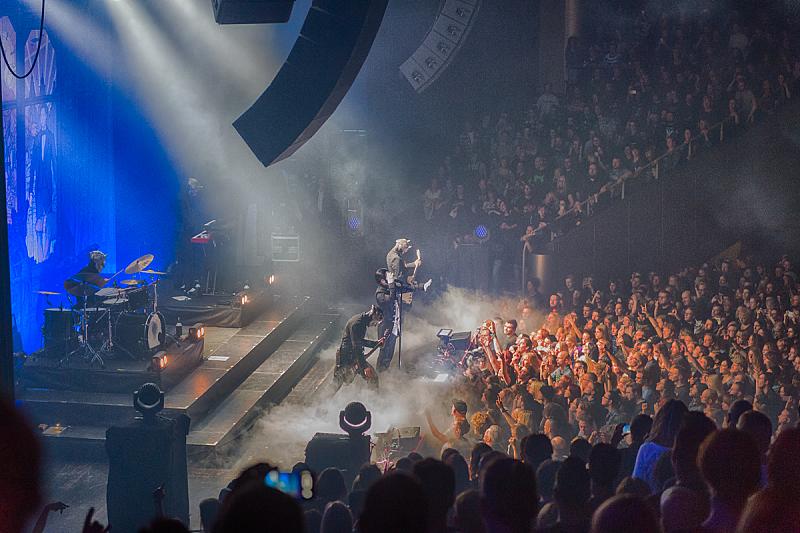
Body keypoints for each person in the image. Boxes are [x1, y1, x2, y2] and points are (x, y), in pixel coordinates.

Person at [334, 306, 385, 389]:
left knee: (373, 378)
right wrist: (365, 367)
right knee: (338, 382)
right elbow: (357, 347)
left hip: (353, 355)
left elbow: (359, 341)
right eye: (375, 323)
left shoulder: (361, 322)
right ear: (372, 317)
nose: (375, 325)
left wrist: (375, 344)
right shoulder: (357, 324)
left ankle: (373, 396)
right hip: (347, 357)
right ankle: (325, 396)